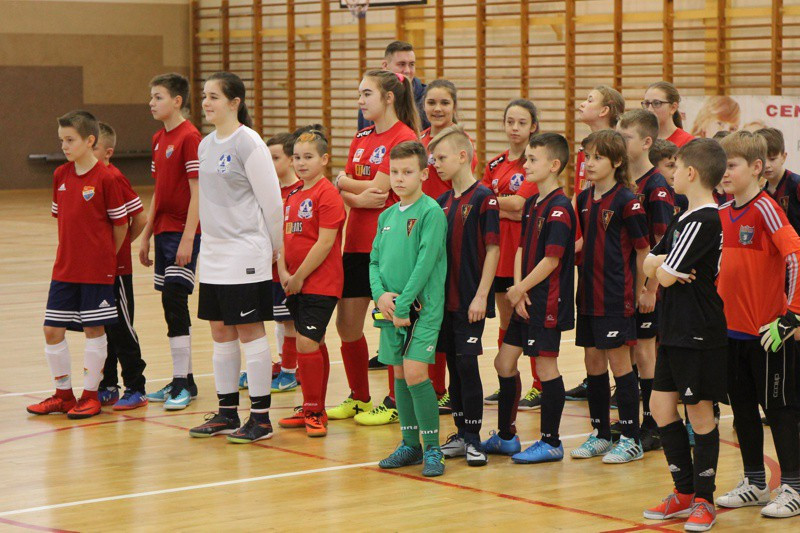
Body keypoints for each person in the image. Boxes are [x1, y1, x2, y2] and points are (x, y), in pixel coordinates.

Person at [187, 72, 283, 444]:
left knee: (249, 330)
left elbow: (272, 203)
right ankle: (227, 413)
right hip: (213, 253)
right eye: (205, 96)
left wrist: (277, 251)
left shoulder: (249, 143)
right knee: (219, 330)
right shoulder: (206, 145)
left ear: (234, 102)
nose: (207, 103)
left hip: (246, 251)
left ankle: (260, 418)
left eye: (213, 96)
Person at [641, 138, 728, 531]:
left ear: (691, 173)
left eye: (675, 167)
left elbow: (661, 274)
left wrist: (662, 268)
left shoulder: (705, 220)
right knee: (661, 408)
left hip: (699, 332)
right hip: (673, 329)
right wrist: (663, 266)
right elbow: (651, 265)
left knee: (699, 413)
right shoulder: (682, 216)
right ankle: (684, 491)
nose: (670, 173)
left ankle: (704, 501)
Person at [714, 131, 800, 518]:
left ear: (756, 168)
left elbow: (796, 254)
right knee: (743, 411)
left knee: (780, 412)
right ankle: (754, 481)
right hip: (730, 334)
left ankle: (795, 487)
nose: (724, 172)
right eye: (722, 165)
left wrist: (792, 316)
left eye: (731, 165)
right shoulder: (721, 211)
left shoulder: (765, 208)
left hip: (767, 335)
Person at [329, 69, 419, 426]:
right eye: (360, 94)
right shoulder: (362, 137)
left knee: (390, 324)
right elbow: (360, 196)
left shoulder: (404, 138)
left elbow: (379, 195)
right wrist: (349, 188)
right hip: (355, 243)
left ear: (388, 97)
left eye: (367, 94)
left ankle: (395, 401)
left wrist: (342, 183)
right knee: (347, 326)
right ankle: (359, 398)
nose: (360, 101)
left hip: (389, 244)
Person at [26, 110, 128, 419]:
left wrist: (106, 257)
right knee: (52, 330)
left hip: (97, 271)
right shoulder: (61, 175)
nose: (65, 146)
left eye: (70, 140)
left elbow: (120, 224)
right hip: (65, 269)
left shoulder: (107, 177)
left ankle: (91, 395)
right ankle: (63, 394)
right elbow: (63, 220)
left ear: (90, 140)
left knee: (94, 330)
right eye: (61, 141)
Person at [483, 132, 576, 465]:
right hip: (526, 297)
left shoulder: (561, 208)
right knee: (503, 363)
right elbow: (523, 246)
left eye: (533, 160)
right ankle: (507, 437)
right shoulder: (535, 202)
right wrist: (518, 286)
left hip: (548, 301)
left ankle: (551, 441)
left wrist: (522, 289)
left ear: (553, 165)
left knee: (546, 366)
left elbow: (552, 260)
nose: (525, 166)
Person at [570, 130, 650, 464]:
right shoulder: (583, 200)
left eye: (598, 157)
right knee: (592, 363)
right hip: (588, 295)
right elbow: (582, 245)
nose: (589, 163)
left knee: (620, 364)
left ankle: (631, 437)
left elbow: (644, 248)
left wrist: (646, 289)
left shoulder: (626, 200)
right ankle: (602, 433)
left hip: (617, 296)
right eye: (587, 156)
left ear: (616, 162)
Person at [371, 141, 448, 477]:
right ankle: (410, 444)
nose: (399, 179)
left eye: (407, 172)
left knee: (416, 373)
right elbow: (374, 261)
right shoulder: (386, 215)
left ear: (424, 174)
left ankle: (433, 449)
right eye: (395, 172)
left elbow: (425, 262)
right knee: (399, 373)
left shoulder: (431, 212)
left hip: (421, 309)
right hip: (391, 311)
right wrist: (380, 297)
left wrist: (403, 303)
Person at [431, 126, 500, 467]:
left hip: (470, 300)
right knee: (453, 369)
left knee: (467, 364)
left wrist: (481, 296)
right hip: (444, 302)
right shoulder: (442, 202)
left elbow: (492, 248)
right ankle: (460, 432)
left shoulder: (484, 197)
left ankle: (474, 438)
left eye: (441, 158)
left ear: (462, 156)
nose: (436, 165)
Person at [276, 129, 345, 437]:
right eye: (297, 158)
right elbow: (282, 238)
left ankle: (315, 410)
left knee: (305, 341)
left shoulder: (327, 194)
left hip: (320, 282)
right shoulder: (292, 195)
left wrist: (300, 275)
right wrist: (282, 272)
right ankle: (311, 405)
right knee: (312, 343)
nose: (301, 163)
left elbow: (326, 242)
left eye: (309, 157)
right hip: (294, 282)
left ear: (324, 160)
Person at [140, 73, 203, 410]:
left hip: (182, 232)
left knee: (176, 300)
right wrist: (146, 235)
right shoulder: (157, 138)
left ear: (177, 101)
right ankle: (185, 380)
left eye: (158, 96)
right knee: (169, 303)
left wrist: (189, 237)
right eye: (151, 96)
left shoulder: (190, 137)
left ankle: (182, 382)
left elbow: (198, 192)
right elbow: (159, 192)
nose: (152, 102)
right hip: (163, 231)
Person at [617, 109, 675, 452]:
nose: (622, 144)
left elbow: (662, 243)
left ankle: (654, 425)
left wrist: (649, 288)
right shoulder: (627, 181)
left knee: (645, 351)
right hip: (627, 282)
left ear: (646, 142)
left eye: (627, 138)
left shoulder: (657, 187)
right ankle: (641, 418)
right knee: (635, 352)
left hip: (648, 287)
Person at [419, 78, 477, 414]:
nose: (437, 109)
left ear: (454, 106)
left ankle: (441, 390)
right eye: (431, 103)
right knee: (427, 313)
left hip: (448, 226)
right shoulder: (419, 140)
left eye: (444, 103)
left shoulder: (459, 141)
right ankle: (431, 386)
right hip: (424, 226)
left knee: (441, 311)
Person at [482, 99, 543, 409]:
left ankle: (539, 384)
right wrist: (504, 203)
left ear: (533, 126)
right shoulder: (495, 164)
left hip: (525, 252)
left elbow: (522, 207)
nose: (515, 128)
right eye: (510, 122)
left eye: (522, 122)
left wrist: (499, 203)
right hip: (498, 252)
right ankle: (510, 384)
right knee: (507, 321)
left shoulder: (536, 163)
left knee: (527, 316)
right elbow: (483, 202)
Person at [239, 132, 304, 392]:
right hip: (267, 265)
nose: (269, 162)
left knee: (289, 320)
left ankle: (290, 370)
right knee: (278, 318)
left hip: (289, 267)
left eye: (275, 158)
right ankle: (282, 362)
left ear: (291, 160)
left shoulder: (300, 191)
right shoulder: (269, 190)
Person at [93, 122, 149, 410]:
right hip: (93, 270)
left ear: (107, 151)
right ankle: (108, 384)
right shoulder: (85, 177)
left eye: (94, 146)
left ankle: (136, 387)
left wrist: (119, 249)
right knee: (102, 327)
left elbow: (139, 218)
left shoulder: (113, 177)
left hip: (116, 269)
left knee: (121, 328)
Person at [358, 40, 429, 131]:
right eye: (401, 64)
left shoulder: (427, 98)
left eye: (411, 64)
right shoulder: (369, 100)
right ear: (385, 65)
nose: (407, 70)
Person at [573, 86, 626, 196]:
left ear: (604, 110)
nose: (582, 104)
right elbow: (578, 189)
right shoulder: (585, 146)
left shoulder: (619, 147)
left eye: (590, 100)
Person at [643, 81, 694, 147]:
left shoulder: (688, 143)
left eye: (656, 103)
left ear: (673, 108)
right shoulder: (642, 140)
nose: (649, 109)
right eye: (647, 103)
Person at [649, 139, 686, 216]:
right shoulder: (646, 193)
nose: (676, 171)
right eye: (670, 166)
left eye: (677, 166)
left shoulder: (683, 197)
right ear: (653, 167)